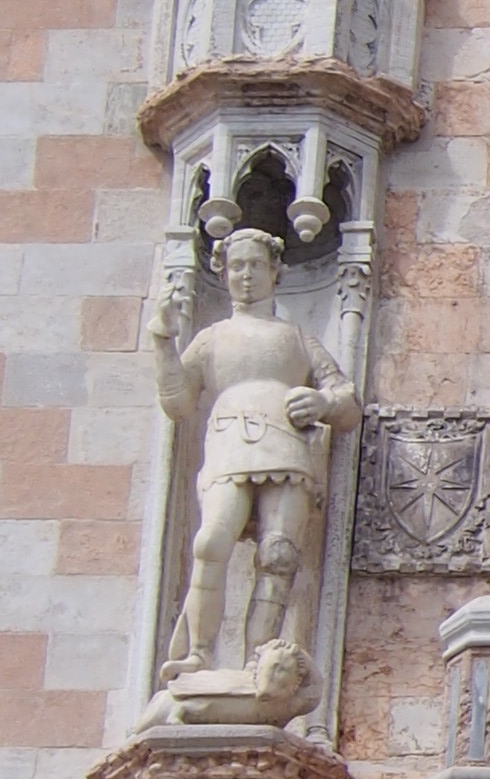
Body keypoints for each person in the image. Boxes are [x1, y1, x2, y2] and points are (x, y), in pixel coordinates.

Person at [152, 225, 359, 702]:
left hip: (287, 450)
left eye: (255, 266)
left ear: (274, 271)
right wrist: (162, 339)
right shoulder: (211, 340)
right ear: (222, 272)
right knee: (210, 542)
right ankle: (199, 653)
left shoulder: (296, 337)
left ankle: (257, 658)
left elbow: (346, 399)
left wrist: (323, 402)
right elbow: (178, 401)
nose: (245, 276)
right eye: (236, 267)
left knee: (278, 554)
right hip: (229, 445)